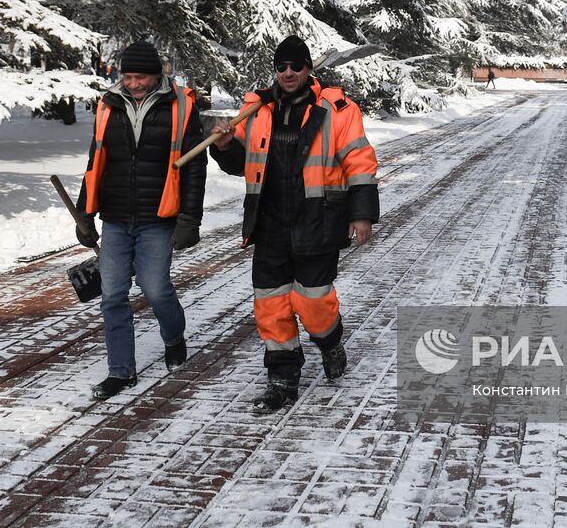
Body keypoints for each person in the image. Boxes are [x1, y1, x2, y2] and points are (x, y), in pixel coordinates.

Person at [209, 35, 379, 413]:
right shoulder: (255, 109)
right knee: (270, 304)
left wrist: (362, 213)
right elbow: (241, 162)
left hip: (317, 220)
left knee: (312, 301)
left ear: (308, 69)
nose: (288, 73)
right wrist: (223, 146)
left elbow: (359, 160)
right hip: (269, 221)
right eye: (282, 66)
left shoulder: (336, 108)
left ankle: (330, 341)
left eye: (296, 66)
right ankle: (282, 375)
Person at [75, 41, 205, 400]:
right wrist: (85, 211)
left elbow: (194, 165)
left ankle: (174, 337)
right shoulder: (109, 103)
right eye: (128, 76)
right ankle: (121, 371)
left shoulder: (180, 105)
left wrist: (190, 218)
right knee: (112, 295)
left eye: (141, 77)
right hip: (115, 216)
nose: (133, 84)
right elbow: (95, 159)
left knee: (155, 289)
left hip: (157, 215)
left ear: (156, 74)